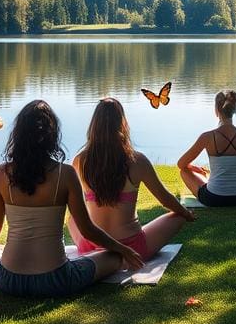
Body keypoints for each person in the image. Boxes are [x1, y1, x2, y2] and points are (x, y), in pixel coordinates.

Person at [0, 100, 144, 298]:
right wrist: (123, 249)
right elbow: (88, 230)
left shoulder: (0, 174)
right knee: (115, 257)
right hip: (57, 280)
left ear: (19, 134)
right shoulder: (65, 174)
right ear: (52, 135)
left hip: (9, 279)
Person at [69, 98, 195, 260]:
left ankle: (100, 256)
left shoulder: (80, 160)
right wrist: (185, 213)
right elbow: (165, 199)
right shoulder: (137, 160)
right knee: (178, 217)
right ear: (122, 123)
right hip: (133, 248)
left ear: (94, 125)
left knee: (72, 218)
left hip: (91, 247)